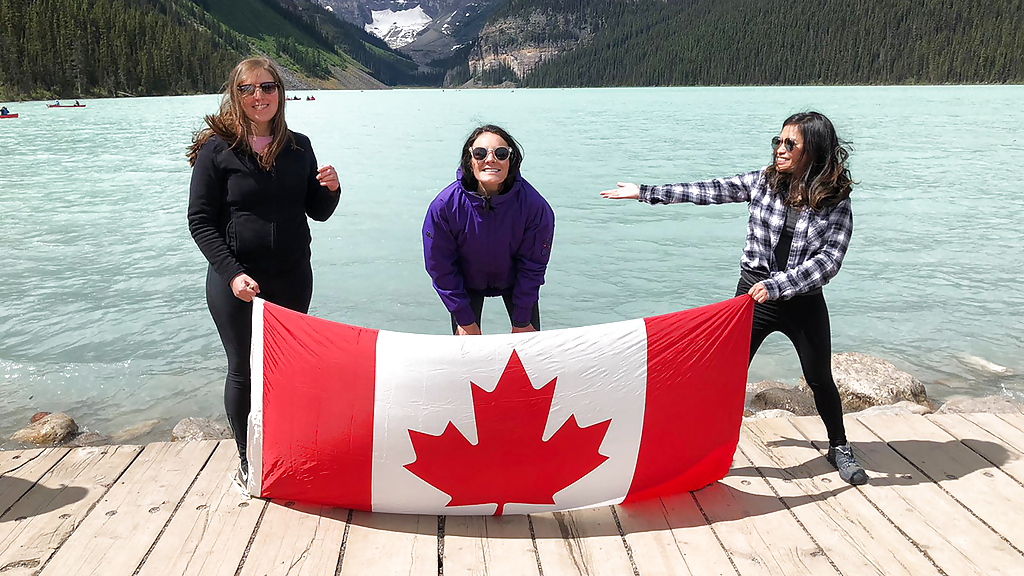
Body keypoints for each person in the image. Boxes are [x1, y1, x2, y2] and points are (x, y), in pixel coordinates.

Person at [600, 111, 867, 486]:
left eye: (791, 144)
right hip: (751, 299)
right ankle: (696, 451)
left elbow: (828, 262)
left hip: (803, 300)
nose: (780, 149)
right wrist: (645, 192)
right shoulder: (763, 182)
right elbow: (708, 190)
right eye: (778, 141)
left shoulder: (835, 199)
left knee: (819, 377)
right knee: (724, 377)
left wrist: (780, 285)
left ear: (814, 151)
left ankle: (838, 446)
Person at [187, 57, 341, 488]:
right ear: (235, 95)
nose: (259, 96)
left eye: (268, 87)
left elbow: (317, 211)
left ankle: (285, 450)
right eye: (248, 89)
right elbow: (200, 221)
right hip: (234, 281)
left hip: (292, 276)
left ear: (280, 94)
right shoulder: (217, 150)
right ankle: (246, 457)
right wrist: (233, 273)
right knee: (243, 368)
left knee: (289, 371)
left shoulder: (299, 147)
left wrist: (331, 189)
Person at [423, 125, 555, 335]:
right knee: (467, 351)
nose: (490, 159)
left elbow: (533, 266)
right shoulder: (444, 206)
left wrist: (522, 320)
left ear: (511, 160)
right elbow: (440, 267)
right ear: (470, 160)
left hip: (516, 281)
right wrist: (464, 319)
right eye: (480, 153)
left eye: (501, 154)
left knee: (529, 346)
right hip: (465, 282)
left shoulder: (535, 207)